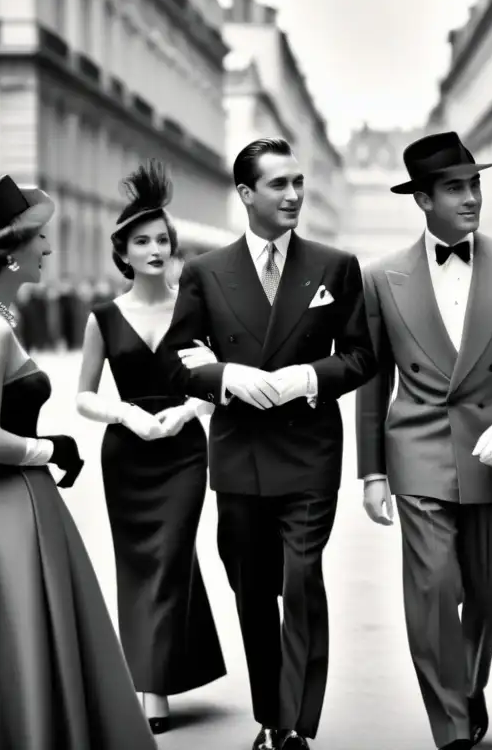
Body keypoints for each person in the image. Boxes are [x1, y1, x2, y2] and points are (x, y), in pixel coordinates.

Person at [355, 131, 492, 750]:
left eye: (475, 184)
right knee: (432, 589)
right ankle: (450, 723)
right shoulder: (382, 277)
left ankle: (469, 687)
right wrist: (371, 473)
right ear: (422, 199)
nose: (472, 197)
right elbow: (372, 382)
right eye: (455, 188)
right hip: (417, 451)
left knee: (490, 590)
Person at [163, 137, 376, 750]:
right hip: (238, 457)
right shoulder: (205, 271)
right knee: (252, 591)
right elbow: (179, 358)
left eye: (299, 182)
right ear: (246, 194)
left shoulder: (335, 265)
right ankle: (269, 718)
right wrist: (227, 377)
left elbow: (361, 357)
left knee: (303, 580)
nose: (294, 195)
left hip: (309, 453)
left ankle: (296, 726)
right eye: (279, 184)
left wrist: (308, 377)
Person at [0, 175, 157, 748]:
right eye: (38, 240)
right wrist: (52, 449)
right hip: (9, 503)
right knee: (29, 639)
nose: (48, 249)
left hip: (2, 503)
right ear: (8, 253)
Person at [75, 161, 226, 734]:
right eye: (143, 241)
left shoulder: (196, 310)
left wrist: (189, 410)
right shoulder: (102, 318)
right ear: (124, 252)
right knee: (143, 566)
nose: (155, 248)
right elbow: (84, 396)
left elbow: (216, 382)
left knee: (169, 560)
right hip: (128, 455)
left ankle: (153, 688)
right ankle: (160, 671)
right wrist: (129, 416)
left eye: (162, 239)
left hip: (185, 451)